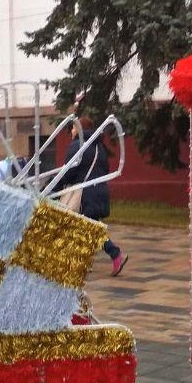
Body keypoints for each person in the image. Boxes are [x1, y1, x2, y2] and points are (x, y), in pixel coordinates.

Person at [62, 115, 127, 276]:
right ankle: (86, 261)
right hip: (99, 191)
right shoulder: (100, 147)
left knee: (86, 228)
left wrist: (53, 187)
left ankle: (116, 254)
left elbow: (68, 172)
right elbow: (104, 169)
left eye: (73, 127)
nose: (71, 130)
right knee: (90, 226)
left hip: (85, 193)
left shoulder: (77, 146)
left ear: (79, 128)